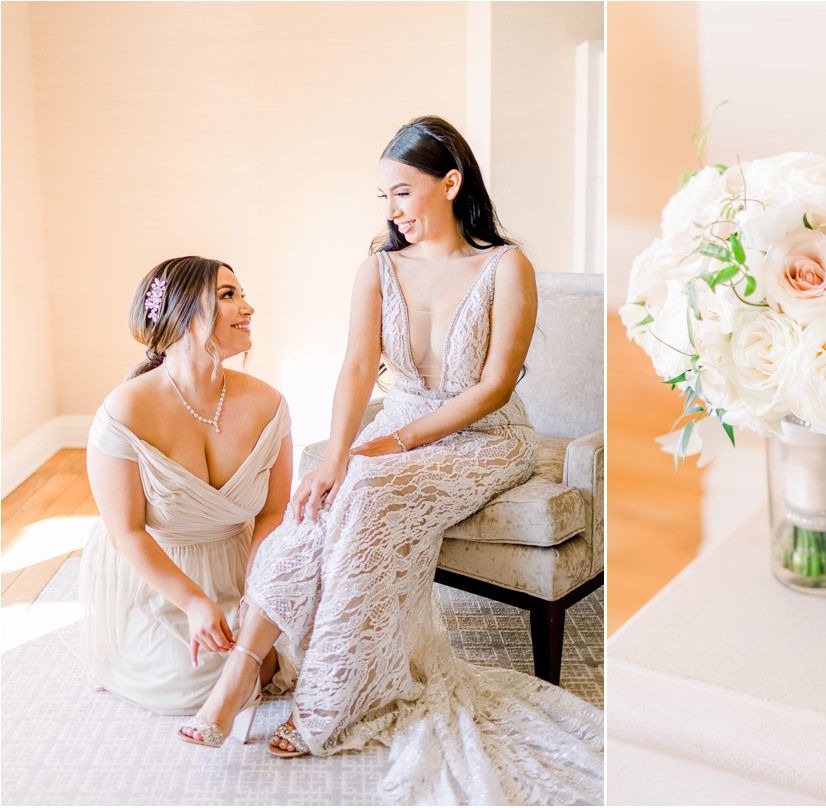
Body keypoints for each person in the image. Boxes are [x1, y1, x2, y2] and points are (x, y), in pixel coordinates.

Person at [179, 116, 603, 804]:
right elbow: (354, 369)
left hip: (487, 437)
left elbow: (495, 385)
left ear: (451, 183)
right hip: (397, 426)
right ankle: (238, 680)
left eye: (402, 191)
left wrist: (388, 447)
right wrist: (335, 456)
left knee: (367, 486)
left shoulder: (505, 266)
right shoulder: (377, 268)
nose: (392, 210)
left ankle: (330, 702)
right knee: (323, 495)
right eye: (382, 197)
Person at [79, 256, 291, 715]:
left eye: (243, 294)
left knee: (291, 655)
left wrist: (256, 587)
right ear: (180, 313)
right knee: (187, 684)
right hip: (162, 570)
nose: (248, 307)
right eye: (228, 295)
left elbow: (274, 511)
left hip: (243, 560)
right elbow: (127, 533)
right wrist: (195, 603)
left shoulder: (268, 404)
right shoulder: (124, 412)